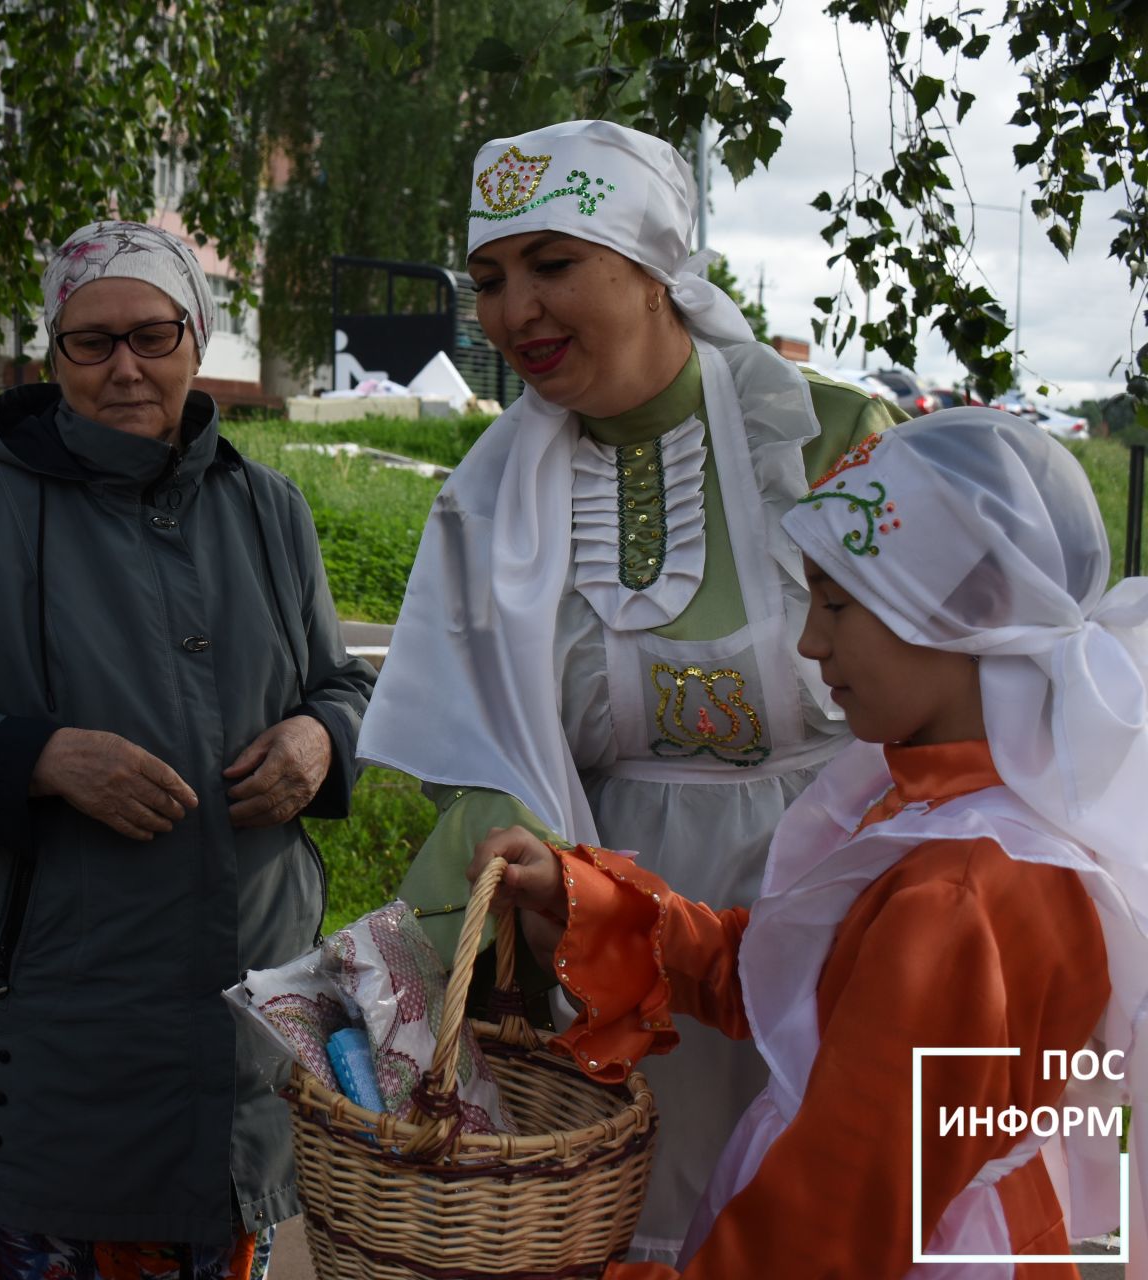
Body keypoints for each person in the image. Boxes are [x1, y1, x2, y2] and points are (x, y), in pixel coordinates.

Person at [356, 119, 906, 1256]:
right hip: (618, 949)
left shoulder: (826, 437)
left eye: (554, 264)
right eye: (492, 279)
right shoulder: (489, 497)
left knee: (833, 1209)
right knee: (641, 1219)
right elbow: (480, 752)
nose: (514, 313)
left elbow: (946, 690)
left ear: (655, 264)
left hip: (845, 905)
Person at [469, 409, 1147, 1277]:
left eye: (836, 604)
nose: (808, 641)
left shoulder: (959, 891)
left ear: (958, 616)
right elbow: (793, 984)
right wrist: (586, 905)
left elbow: (824, 1227)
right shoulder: (969, 816)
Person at [0, 220, 376, 1277]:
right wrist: (42, 756)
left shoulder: (270, 509)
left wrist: (321, 739)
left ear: (198, 339)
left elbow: (344, 683)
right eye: (91, 342)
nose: (125, 366)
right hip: (58, 1031)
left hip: (244, 1027)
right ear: (52, 357)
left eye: (152, 334)